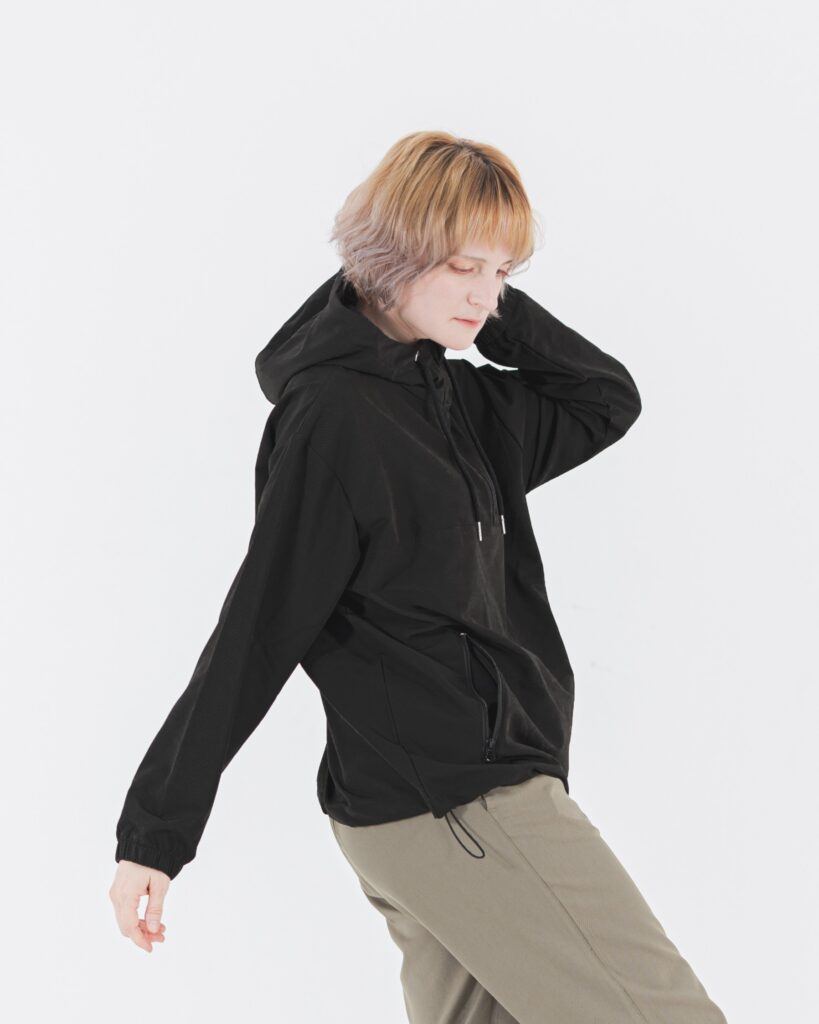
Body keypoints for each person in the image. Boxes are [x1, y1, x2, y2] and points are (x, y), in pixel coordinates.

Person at [109, 130, 728, 1023]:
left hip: (429, 812)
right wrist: (156, 832)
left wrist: (478, 308)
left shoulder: (461, 404)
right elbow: (260, 626)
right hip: (460, 805)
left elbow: (604, 398)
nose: (485, 294)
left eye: (503, 272)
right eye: (462, 267)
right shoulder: (335, 420)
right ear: (388, 256)